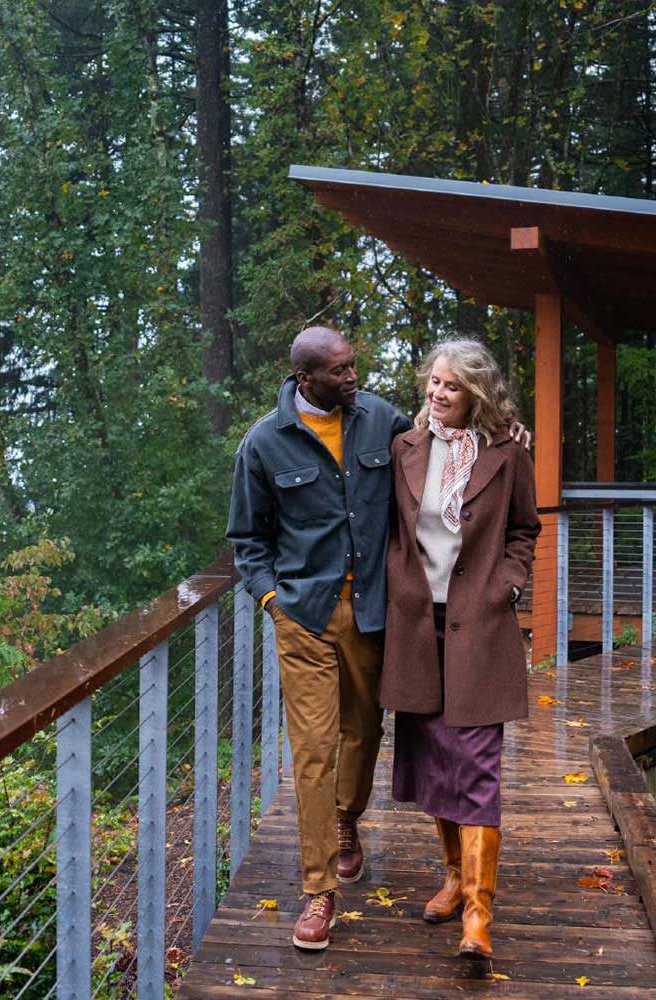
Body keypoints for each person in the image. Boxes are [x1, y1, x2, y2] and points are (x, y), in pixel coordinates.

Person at [227, 326, 410, 951]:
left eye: (353, 365)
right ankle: (318, 888)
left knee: (365, 731)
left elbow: (446, 458)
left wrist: (503, 436)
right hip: (303, 616)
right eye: (337, 371)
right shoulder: (263, 444)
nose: (352, 377)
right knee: (312, 749)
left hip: (373, 611)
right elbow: (247, 542)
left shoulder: (383, 419)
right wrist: (274, 603)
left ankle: (347, 820)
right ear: (304, 379)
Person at [378, 338, 540, 963]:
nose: (435, 393)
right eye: (432, 383)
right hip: (417, 624)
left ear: (476, 392)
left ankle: (479, 913)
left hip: (481, 623)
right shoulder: (405, 449)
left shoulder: (508, 453)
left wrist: (510, 582)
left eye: (449, 385)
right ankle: (452, 878)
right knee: (433, 758)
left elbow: (525, 527)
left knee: (476, 761)